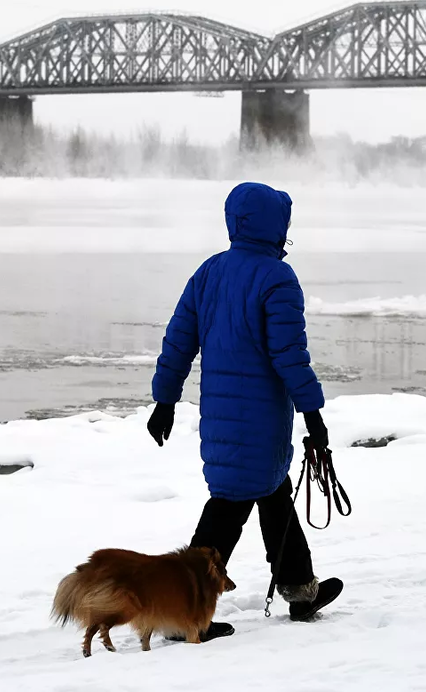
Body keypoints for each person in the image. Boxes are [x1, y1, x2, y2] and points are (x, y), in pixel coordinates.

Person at [147, 181, 333, 641]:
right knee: (230, 507)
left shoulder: (209, 272)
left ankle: (301, 591)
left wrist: (165, 400)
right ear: (275, 226)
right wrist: (313, 415)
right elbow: (290, 356)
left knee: (272, 495)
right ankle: (184, 610)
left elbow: (178, 341)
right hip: (263, 421)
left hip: (221, 418)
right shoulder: (277, 278)